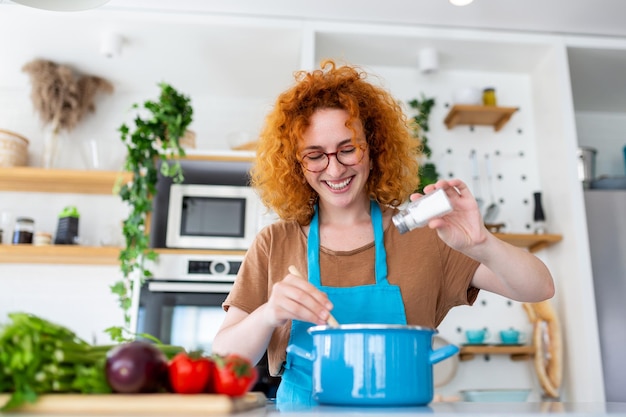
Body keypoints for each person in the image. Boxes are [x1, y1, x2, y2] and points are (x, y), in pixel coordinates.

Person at [212, 60, 555, 405]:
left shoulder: (426, 235)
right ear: (297, 165)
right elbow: (227, 358)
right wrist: (270, 311)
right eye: (315, 156)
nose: (334, 168)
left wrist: (482, 243)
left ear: (374, 149)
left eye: (348, 149)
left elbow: (540, 287)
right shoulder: (275, 243)